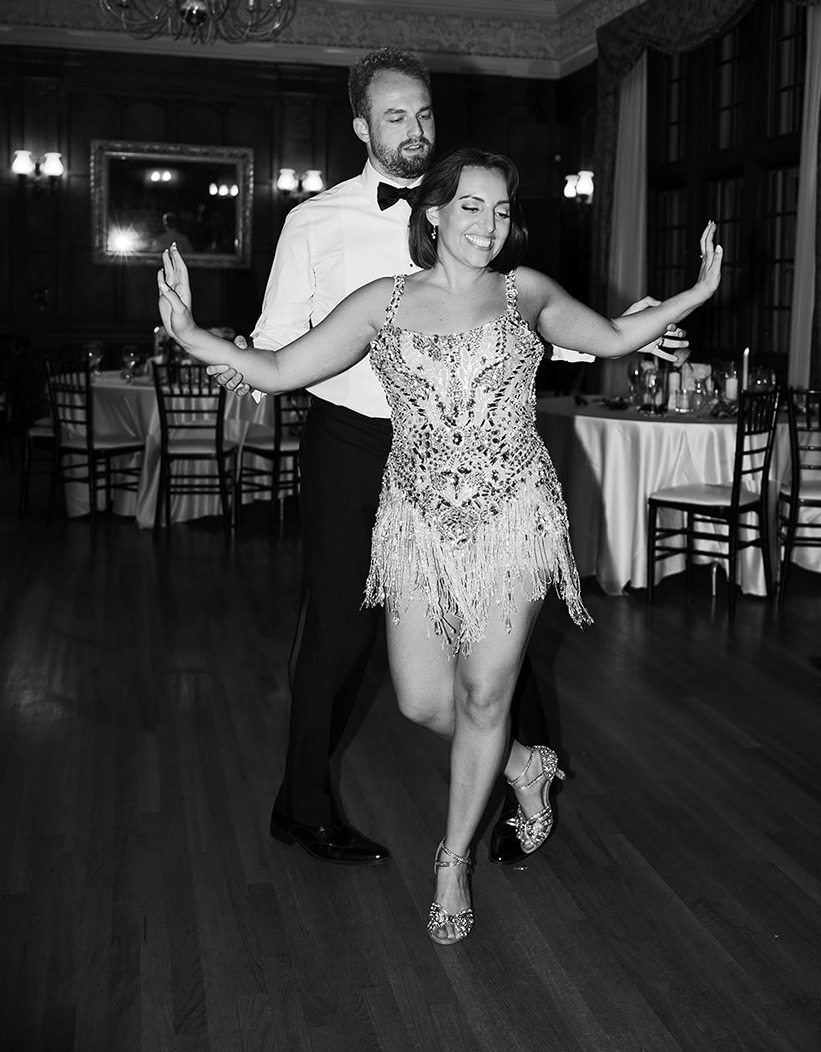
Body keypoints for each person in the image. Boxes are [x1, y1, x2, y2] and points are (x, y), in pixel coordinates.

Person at [158, 145, 723, 944]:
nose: (488, 225)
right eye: (471, 207)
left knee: (485, 694)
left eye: (501, 210)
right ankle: (524, 765)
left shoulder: (523, 292)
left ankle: (451, 861)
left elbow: (606, 338)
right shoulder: (382, 303)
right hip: (416, 523)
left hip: (513, 517)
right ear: (434, 213)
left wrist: (694, 293)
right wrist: (189, 333)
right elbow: (279, 368)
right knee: (422, 699)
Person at [208, 48, 688, 869]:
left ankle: (512, 784)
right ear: (360, 126)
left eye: (424, 113)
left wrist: (622, 334)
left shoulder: (471, 205)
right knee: (336, 630)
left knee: (495, 634)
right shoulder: (314, 221)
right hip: (354, 441)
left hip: (476, 452)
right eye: (395, 116)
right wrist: (242, 360)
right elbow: (280, 338)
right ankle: (304, 805)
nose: (414, 129)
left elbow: (518, 322)